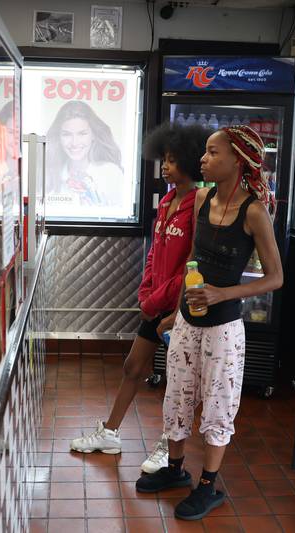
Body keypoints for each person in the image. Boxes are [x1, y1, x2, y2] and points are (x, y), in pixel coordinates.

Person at [135, 125, 283, 521]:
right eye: (204, 152)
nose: (202, 159)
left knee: (218, 406)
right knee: (177, 395)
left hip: (224, 329)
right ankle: (175, 470)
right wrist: (172, 314)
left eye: (212, 152)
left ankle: (208, 486)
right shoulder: (201, 198)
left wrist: (221, 293)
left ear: (238, 159)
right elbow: (190, 265)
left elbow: (275, 278)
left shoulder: (254, 211)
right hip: (186, 322)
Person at [70, 122, 211, 473]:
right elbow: (155, 253)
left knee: (181, 382)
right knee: (133, 367)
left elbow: (193, 264)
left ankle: (168, 446)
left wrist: (167, 302)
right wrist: (146, 290)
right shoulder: (166, 202)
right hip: (156, 304)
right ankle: (110, 433)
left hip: (181, 308)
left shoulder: (198, 204)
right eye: (163, 159)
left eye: (173, 160)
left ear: (191, 162)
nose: (165, 166)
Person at [45, 100, 123, 206]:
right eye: (66, 134)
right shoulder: (48, 176)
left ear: (94, 135)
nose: (74, 143)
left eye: (82, 133)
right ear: (58, 137)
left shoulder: (111, 174)